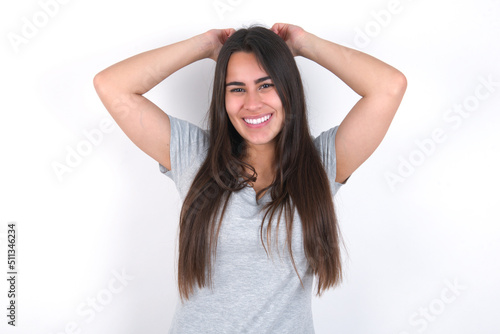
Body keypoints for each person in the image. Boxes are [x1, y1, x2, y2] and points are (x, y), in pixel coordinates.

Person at [94, 23, 406, 333]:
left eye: (266, 85)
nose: (252, 103)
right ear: (223, 97)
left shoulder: (320, 164)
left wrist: (303, 44)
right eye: (237, 89)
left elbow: (389, 86)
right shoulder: (194, 155)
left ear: (289, 90)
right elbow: (111, 85)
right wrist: (205, 45)